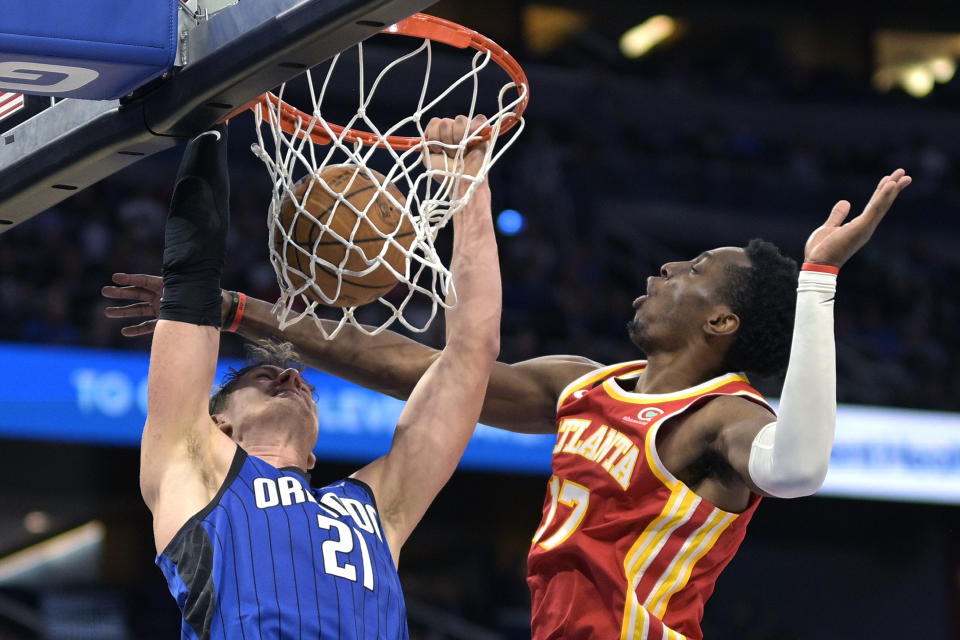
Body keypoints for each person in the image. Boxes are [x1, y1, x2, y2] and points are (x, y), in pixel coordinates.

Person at [105, 159, 911, 639]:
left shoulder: (726, 418)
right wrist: (247, 313)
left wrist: (817, 281)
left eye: (693, 268)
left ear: (722, 319)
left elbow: (801, 468)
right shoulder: (580, 384)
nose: (665, 272)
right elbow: (425, 370)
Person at [131, 114, 501, 640]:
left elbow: (472, 351)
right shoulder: (194, 472)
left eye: (296, 380)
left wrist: (469, 188)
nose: (289, 377)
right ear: (218, 426)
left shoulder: (375, 507)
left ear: (313, 457)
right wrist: (208, 118)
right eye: (261, 377)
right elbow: (190, 278)